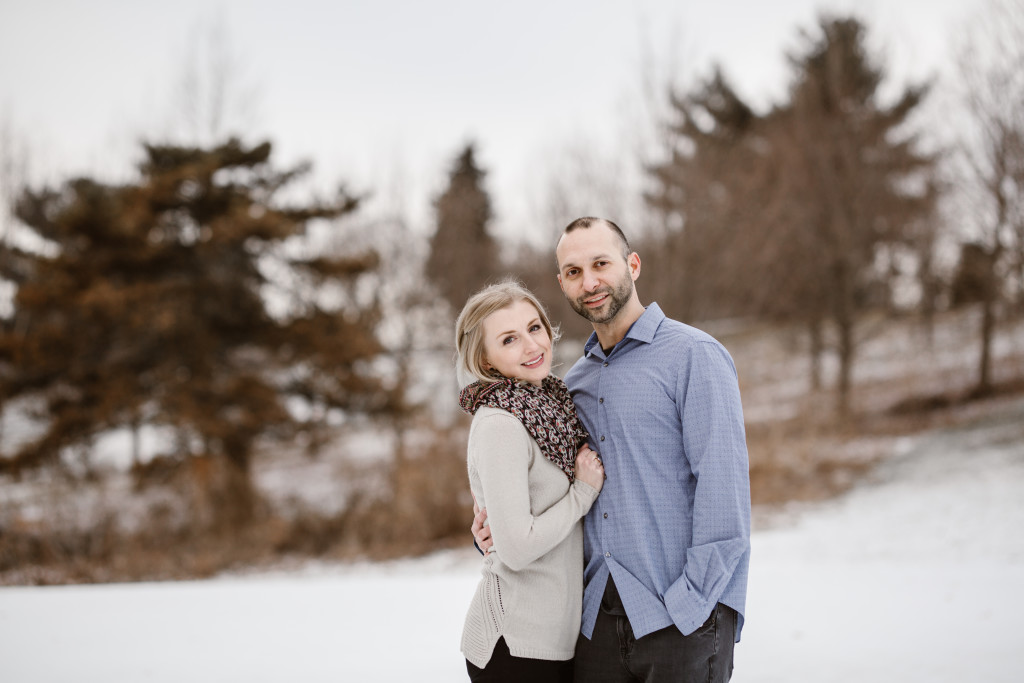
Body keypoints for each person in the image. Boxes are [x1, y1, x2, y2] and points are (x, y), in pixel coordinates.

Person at [473, 217, 751, 683]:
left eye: (601, 263)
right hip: (594, 627)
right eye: (574, 272)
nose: (591, 282)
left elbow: (724, 495)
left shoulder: (693, 357)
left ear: (633, 265)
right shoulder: (571, 385)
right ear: (562, 283)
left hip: (680, 618)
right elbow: (546, 492)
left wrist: (692, 606)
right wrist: (494, 530)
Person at [455, 279, 607, 683]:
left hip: (553, 641)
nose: (531, 346)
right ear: (486, 361)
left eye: (534, 328)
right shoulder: (500, 424)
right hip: (515, 645)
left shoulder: (553, 404)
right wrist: (582, 493)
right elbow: (518, 548)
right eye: (509, 340)